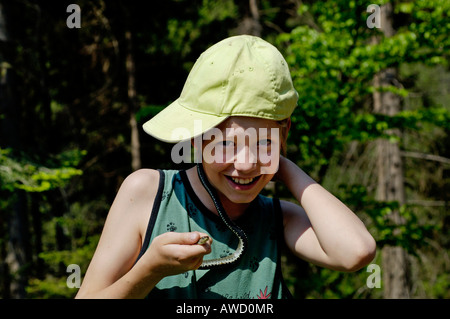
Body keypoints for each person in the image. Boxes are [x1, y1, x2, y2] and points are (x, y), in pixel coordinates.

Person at [75, 35, 376, 299]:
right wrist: (150, 270)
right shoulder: (148, 193)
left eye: (263, 142)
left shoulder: (278, 219)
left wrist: (283, 167)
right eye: (226, 144)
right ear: (195, 138)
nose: (245, 165)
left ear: (285, 132)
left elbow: (356, 252)